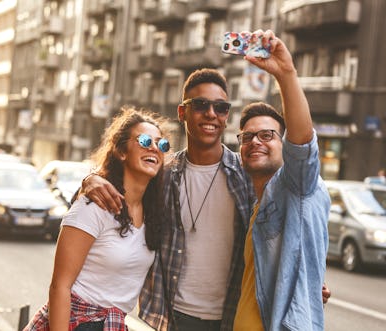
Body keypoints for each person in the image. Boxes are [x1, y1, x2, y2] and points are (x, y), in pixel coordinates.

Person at [81, 32, 330, 331]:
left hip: (230, 317)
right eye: (200, 105)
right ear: (183, 112)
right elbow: (117, 183)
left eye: (221, 107)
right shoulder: (162, 174)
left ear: (226, 116)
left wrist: (302, 279)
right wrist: (91, 180)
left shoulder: (248, 172)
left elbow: (296, 192)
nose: (211, 113)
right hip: (169, 318)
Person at [24, 107, 170, 331]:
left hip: (112, 324)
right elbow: (60, 287)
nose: (154, 147)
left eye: (162, 144)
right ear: (121, 152)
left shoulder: (153, 211)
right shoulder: (94, 206)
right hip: (74, 322)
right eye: (144, 140)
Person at [232, 30, 330, 330]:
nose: (255, 141)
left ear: (283, 143)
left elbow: (303, 146)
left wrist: (286, 74)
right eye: (247, 136)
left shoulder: (296, 185)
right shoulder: (257, 204)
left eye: (267, 135)